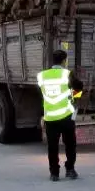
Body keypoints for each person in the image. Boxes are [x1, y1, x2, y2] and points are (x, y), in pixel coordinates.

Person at [37, 49, 84, 181]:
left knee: (52, 146)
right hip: (66, 116)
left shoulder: (42, 76)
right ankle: (70, 169)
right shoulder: (67, 74)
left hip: (50, 117)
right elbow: (79, 86)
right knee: (70, 145)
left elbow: (41, 92)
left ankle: (54, 174)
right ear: (64, 61)